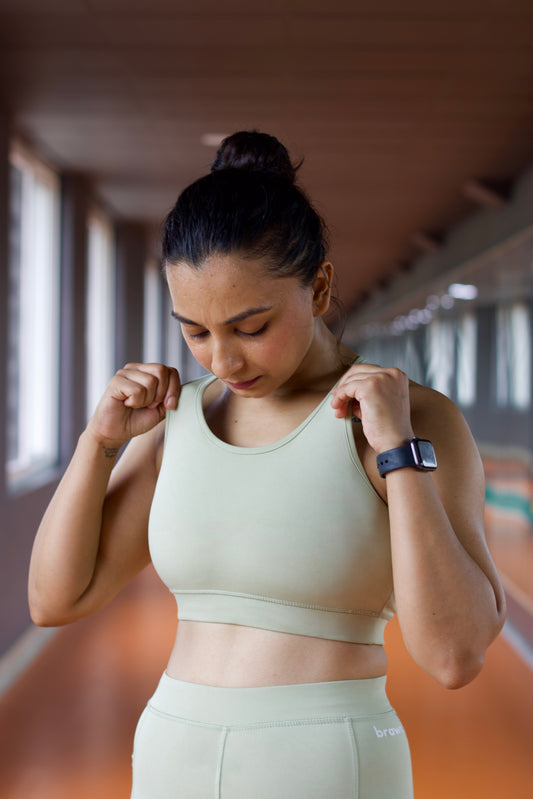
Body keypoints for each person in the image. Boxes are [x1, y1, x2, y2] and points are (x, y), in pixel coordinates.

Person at [29, 131, 506, 799]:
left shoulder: (407, 419)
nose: (222, 360)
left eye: (249, 326)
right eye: (196, 330)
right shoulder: (178, 421)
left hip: (330, 763)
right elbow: (56, 597)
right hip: (173, 754)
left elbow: (454, 657)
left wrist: (397, 450)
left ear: (318, 288)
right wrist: (97, 442)